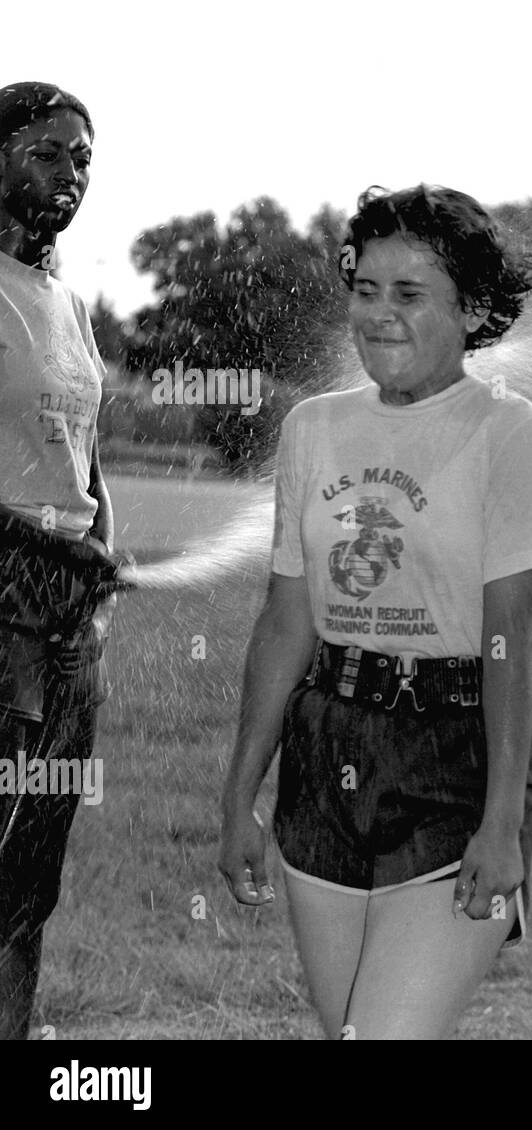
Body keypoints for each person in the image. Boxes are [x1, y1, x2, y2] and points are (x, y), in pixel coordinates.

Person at [218, 185, 532, 1039]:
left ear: (473, 312)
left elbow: (509, 647)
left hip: (457, 758)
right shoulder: (314, 428)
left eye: (409, 295)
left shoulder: (510, 432)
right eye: (366, 289)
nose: (379, 315)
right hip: (328, 747)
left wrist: (502, 823)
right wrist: (239, 797)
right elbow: (285, 626)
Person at [0, 81, 117, 1041]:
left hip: (68, 617)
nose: (71, 174)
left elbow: (84, 461)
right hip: (4, 611)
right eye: (47, 152)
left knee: (32, 872)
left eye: (82, 157)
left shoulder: (66, 303)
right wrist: (43, 551)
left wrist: (97, 552)